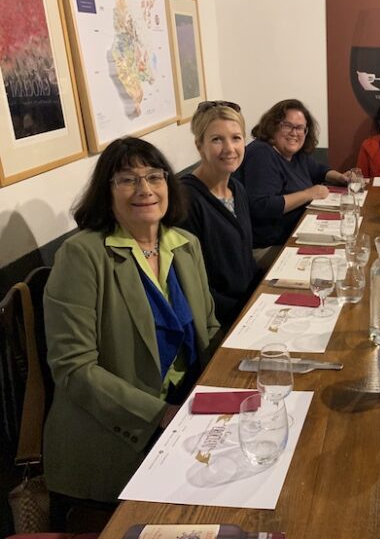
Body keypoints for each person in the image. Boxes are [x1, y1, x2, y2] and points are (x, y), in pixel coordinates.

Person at [43, 137, 220, 506]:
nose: (145, 189)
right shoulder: (82, 255)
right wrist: (161, 415)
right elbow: (74, 368)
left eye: (154, 176)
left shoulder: (185, 244)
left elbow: (209, 328)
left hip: (188, 415)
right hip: (119, 434)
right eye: (127, 180)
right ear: (106, 191)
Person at [234, 99, 350, 260]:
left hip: (295, 235)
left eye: (300, 128)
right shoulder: (261, 153)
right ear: (273, 126)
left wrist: (341, 177)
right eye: (287, 126)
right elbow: (261, 206)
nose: (294, 133)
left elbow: (319, 170)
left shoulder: (295, 154)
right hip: (269, 247)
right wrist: (309, 194)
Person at [180, 100, 258, 327]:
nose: (229, 149)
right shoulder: (186, 199)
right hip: (221, 320)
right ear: (199, 145)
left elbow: (245, 259)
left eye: (236, 138)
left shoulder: (237, 189)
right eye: (217, 139)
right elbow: (193, 284)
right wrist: (244, 314)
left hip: (250, 306)